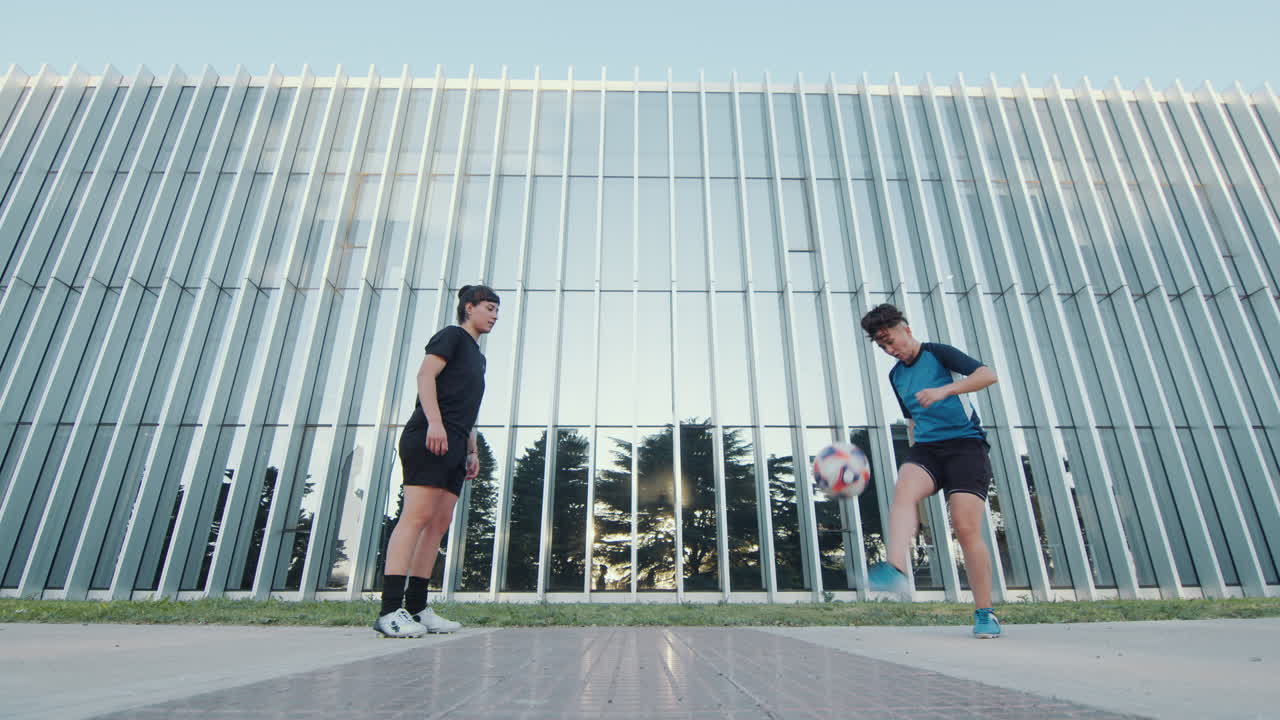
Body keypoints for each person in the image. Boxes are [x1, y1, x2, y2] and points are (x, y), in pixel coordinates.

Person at [859, 303, 1002, 639]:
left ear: (906, 329)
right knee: (904, 490)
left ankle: (985, 613)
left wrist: (944, 390)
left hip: (966, 446)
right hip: (927, 449)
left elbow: (988, 375)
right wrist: (913, 454)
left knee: (965, 528)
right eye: (882, 347)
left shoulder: (939, 353)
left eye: (891, 341)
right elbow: (911, 419)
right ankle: (895, 566)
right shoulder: (896, 376)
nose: (890, 350)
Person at [373, 285, 500, 638]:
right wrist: (434, 423)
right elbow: (425, 375)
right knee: (416, 517)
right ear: (469, 307)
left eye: (496, 311)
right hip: (429, 435)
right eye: (489, 308)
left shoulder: (478, 355)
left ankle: (416, 607)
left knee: (438, 524)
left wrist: (471, 448)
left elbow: (468, 405)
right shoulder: (452, 336)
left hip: (457, 442)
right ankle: (389, 611)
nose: (494, 316)